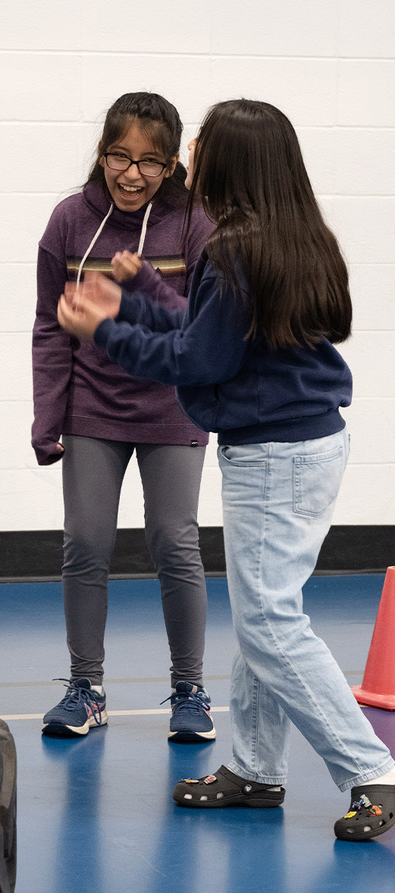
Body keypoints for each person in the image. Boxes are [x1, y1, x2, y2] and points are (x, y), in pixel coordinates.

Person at [57, 98, 395, 841]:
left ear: (231, 161)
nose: (189, 156)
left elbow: (198, 360)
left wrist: (105, 331)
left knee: (271, 621)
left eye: (200, 145)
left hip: (276, 454)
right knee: (267, 613)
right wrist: (145, 293)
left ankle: (371, 768)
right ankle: (254, 768)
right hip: (303, 443)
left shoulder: (237, 246)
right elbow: (213, 331)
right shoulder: (291, 237)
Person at [32, 92, 216, 742]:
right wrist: (47, 413)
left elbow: (201, 326)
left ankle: (189, 690)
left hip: (173, 403)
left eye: (150, 162)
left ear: (171, 165)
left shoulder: (196, 223)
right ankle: (87, 688)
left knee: (175, 543)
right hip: (93, 408)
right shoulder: (67, 222)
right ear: (102, 153)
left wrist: (135, 293)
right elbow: (49, 328)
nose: (132, 174)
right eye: (119, 156)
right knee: (85, 544)